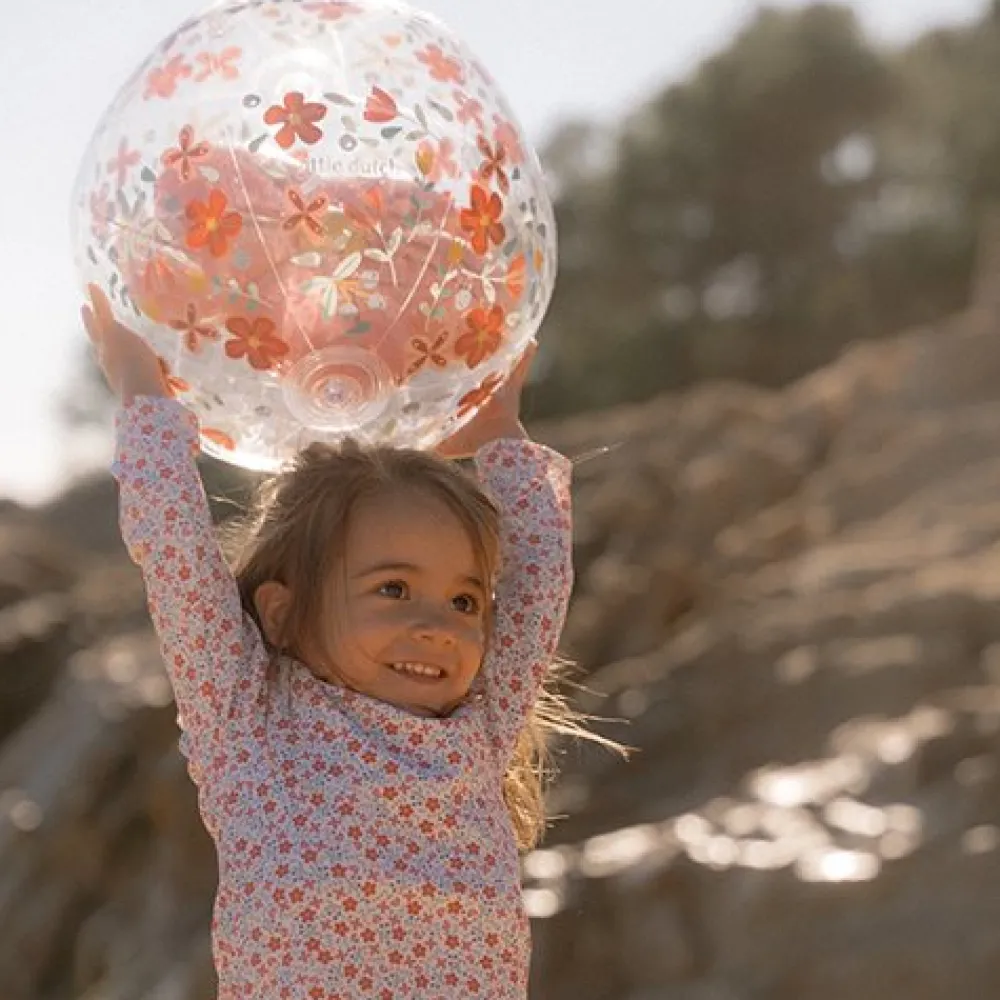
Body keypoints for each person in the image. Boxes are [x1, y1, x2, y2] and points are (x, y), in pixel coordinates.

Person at [82, 284, 617, 999]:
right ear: (280, 613)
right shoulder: (248, 723)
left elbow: (542, 579)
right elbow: (173, 548)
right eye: (393, 589)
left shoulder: (479, 729)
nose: (438, 626)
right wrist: (143, 393)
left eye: (464, 601)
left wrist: (500, 435)